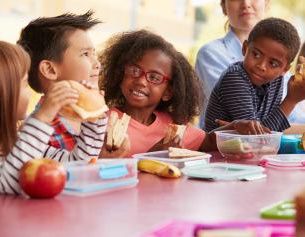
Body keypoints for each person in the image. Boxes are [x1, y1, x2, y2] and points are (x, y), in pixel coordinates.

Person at [99, 30, 269, 157]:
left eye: (154, 77)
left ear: (168, 92)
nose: (141, 81)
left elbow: (206, 142)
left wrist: (235, 126)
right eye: (135, 70)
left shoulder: (172, 125)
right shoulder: (103, 123)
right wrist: (152, 156)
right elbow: (95, 168)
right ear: (120, 72)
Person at [0, 41, 106, 195]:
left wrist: (93, 115)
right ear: (3, 94)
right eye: (24, 84)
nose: (29, 92)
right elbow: (10, 185)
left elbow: (78, 166)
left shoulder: (19, 142)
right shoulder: (28, 142)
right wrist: (41, 117)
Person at [17, 11, 128, 157]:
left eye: (94, 53)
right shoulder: (35, 135)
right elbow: (74, 169)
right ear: (50, 69)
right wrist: (99, 160)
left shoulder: (99, 120)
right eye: (85, 54)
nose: (97, 64)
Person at [205, 18, 303, 132]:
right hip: (216, 149)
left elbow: (270, 131)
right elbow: (259, 138)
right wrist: (291, 101)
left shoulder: (276, 81)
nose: (261, 66)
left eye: (273, 63)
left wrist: (259, 131)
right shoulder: (234, 78)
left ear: (284, 70)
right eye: (256, 54)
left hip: (247, 149)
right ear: (245, 48)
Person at [195, 0, 270, 128]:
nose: (246, 3)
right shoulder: (210, 54)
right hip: (220, 146)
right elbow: (252, 124)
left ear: (267, 3)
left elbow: (294, 116)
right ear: (224, 7)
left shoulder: (278, 59)